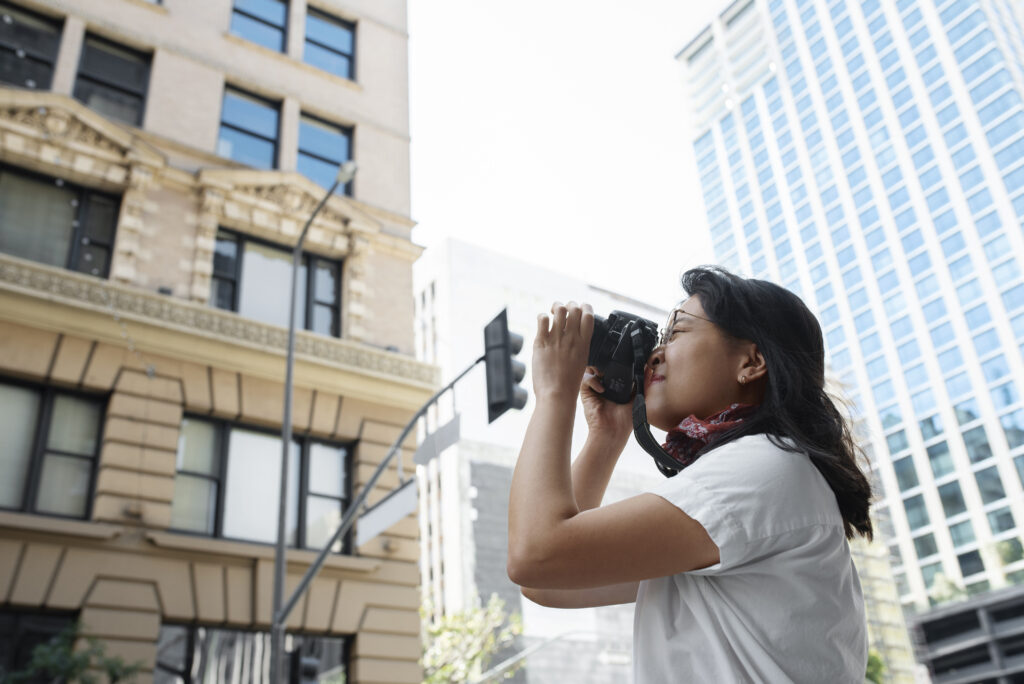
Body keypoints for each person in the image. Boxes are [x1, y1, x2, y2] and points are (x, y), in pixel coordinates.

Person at [506, 266, 873, 683]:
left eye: (677, 333)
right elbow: (550, 582)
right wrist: (607, 436)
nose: (656, 355)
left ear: (751, 362)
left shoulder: (761, 467)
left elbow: (537, 556)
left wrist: (554, 392)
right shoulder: (768, 473)